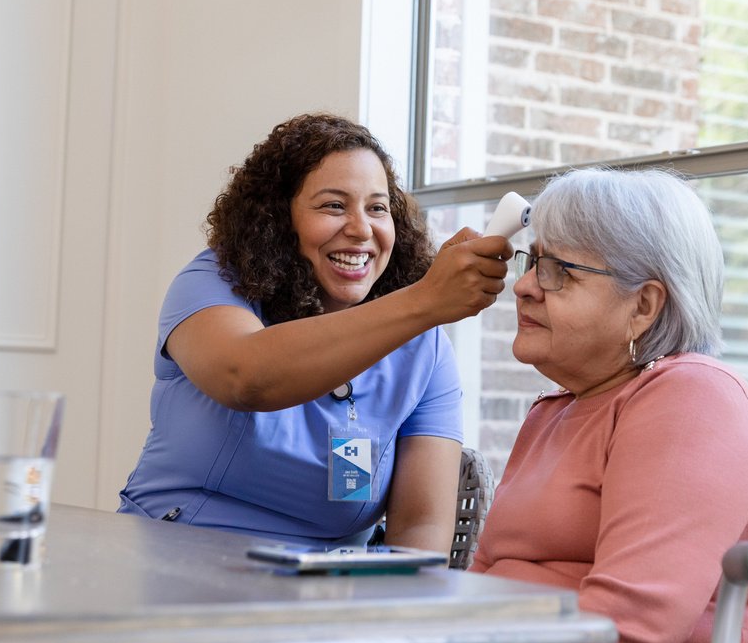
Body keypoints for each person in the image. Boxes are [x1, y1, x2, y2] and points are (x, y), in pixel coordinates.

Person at [469, 167, 748, 643]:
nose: (525, 285)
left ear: (644, 306)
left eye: (559, 272)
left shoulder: (693, 396)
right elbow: (480, 582)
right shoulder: (556, 412)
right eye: (532, 262)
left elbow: (629, 619)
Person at [118, 113, 511, 552]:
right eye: (333, 206)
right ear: (278, 220)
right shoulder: (214, 282)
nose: (362, 229)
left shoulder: (424, 346)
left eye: (377, 208)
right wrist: (424, 300)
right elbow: (246, 376)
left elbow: (421, 532)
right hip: (177, 566)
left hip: (328, 595)